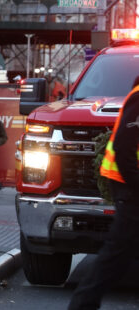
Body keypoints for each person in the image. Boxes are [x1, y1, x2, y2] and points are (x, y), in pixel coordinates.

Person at [68, 76, 139, 310]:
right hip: (130, 187)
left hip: (129, 184)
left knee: (119, 252)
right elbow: (123, 147)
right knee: (117, 253)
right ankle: (82, 304)